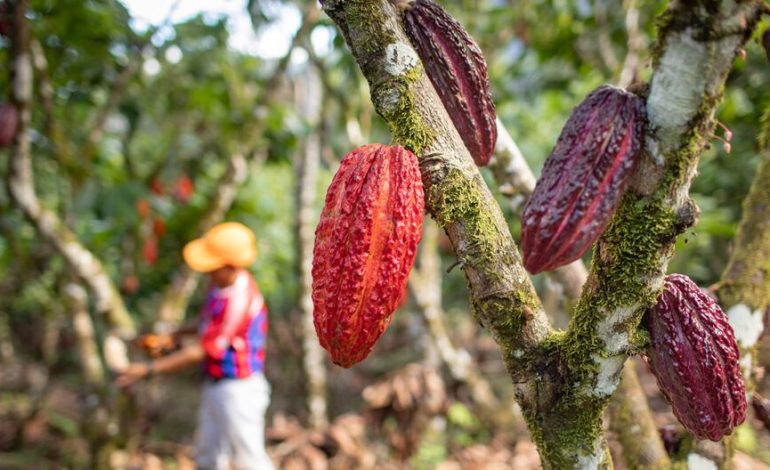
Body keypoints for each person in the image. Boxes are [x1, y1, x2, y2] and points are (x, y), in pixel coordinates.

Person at [116, 222, 273, 470]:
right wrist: (171, 335)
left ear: (230, 266)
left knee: (249, 460)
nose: (208, 272)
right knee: (208, 457)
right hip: (215, 383)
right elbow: (205, 323)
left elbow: (200, 350)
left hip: (238, 390)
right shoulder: (221, 287)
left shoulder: (240, 300)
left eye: (214, 267)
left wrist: (148, 369)